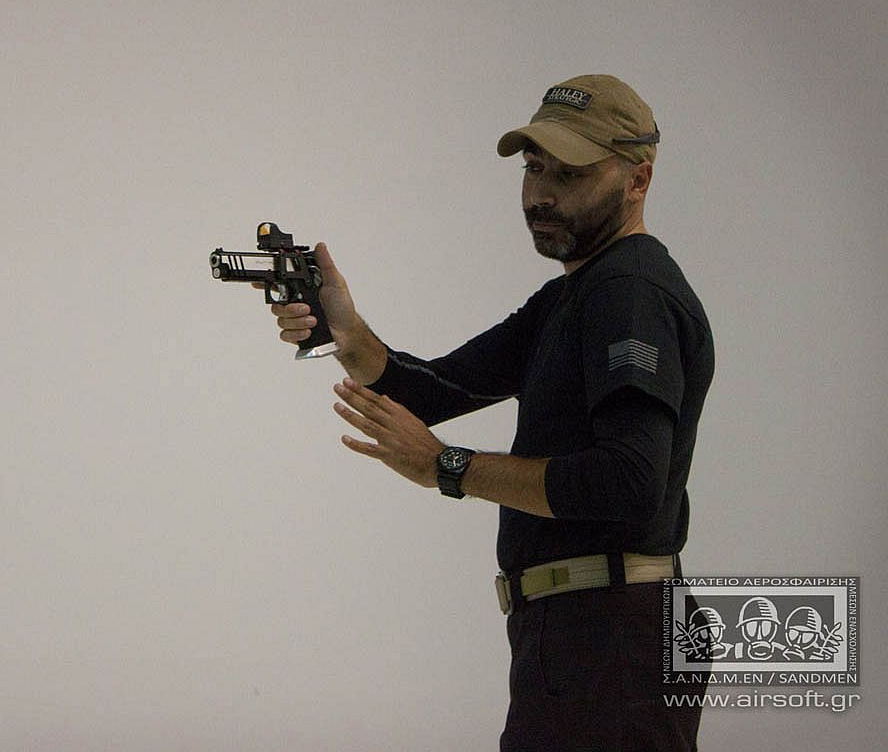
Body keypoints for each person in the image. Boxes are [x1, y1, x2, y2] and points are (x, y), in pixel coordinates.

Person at [267, 75, 712, 750]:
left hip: (613, 640)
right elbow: (437, 390)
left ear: (638, 179)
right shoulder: (573, 297)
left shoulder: (629, 294)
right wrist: (347, 334)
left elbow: (629, 482)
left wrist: (446, 467)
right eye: (534, 168)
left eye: (569, 173)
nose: (541, 193)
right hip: (585, 635)